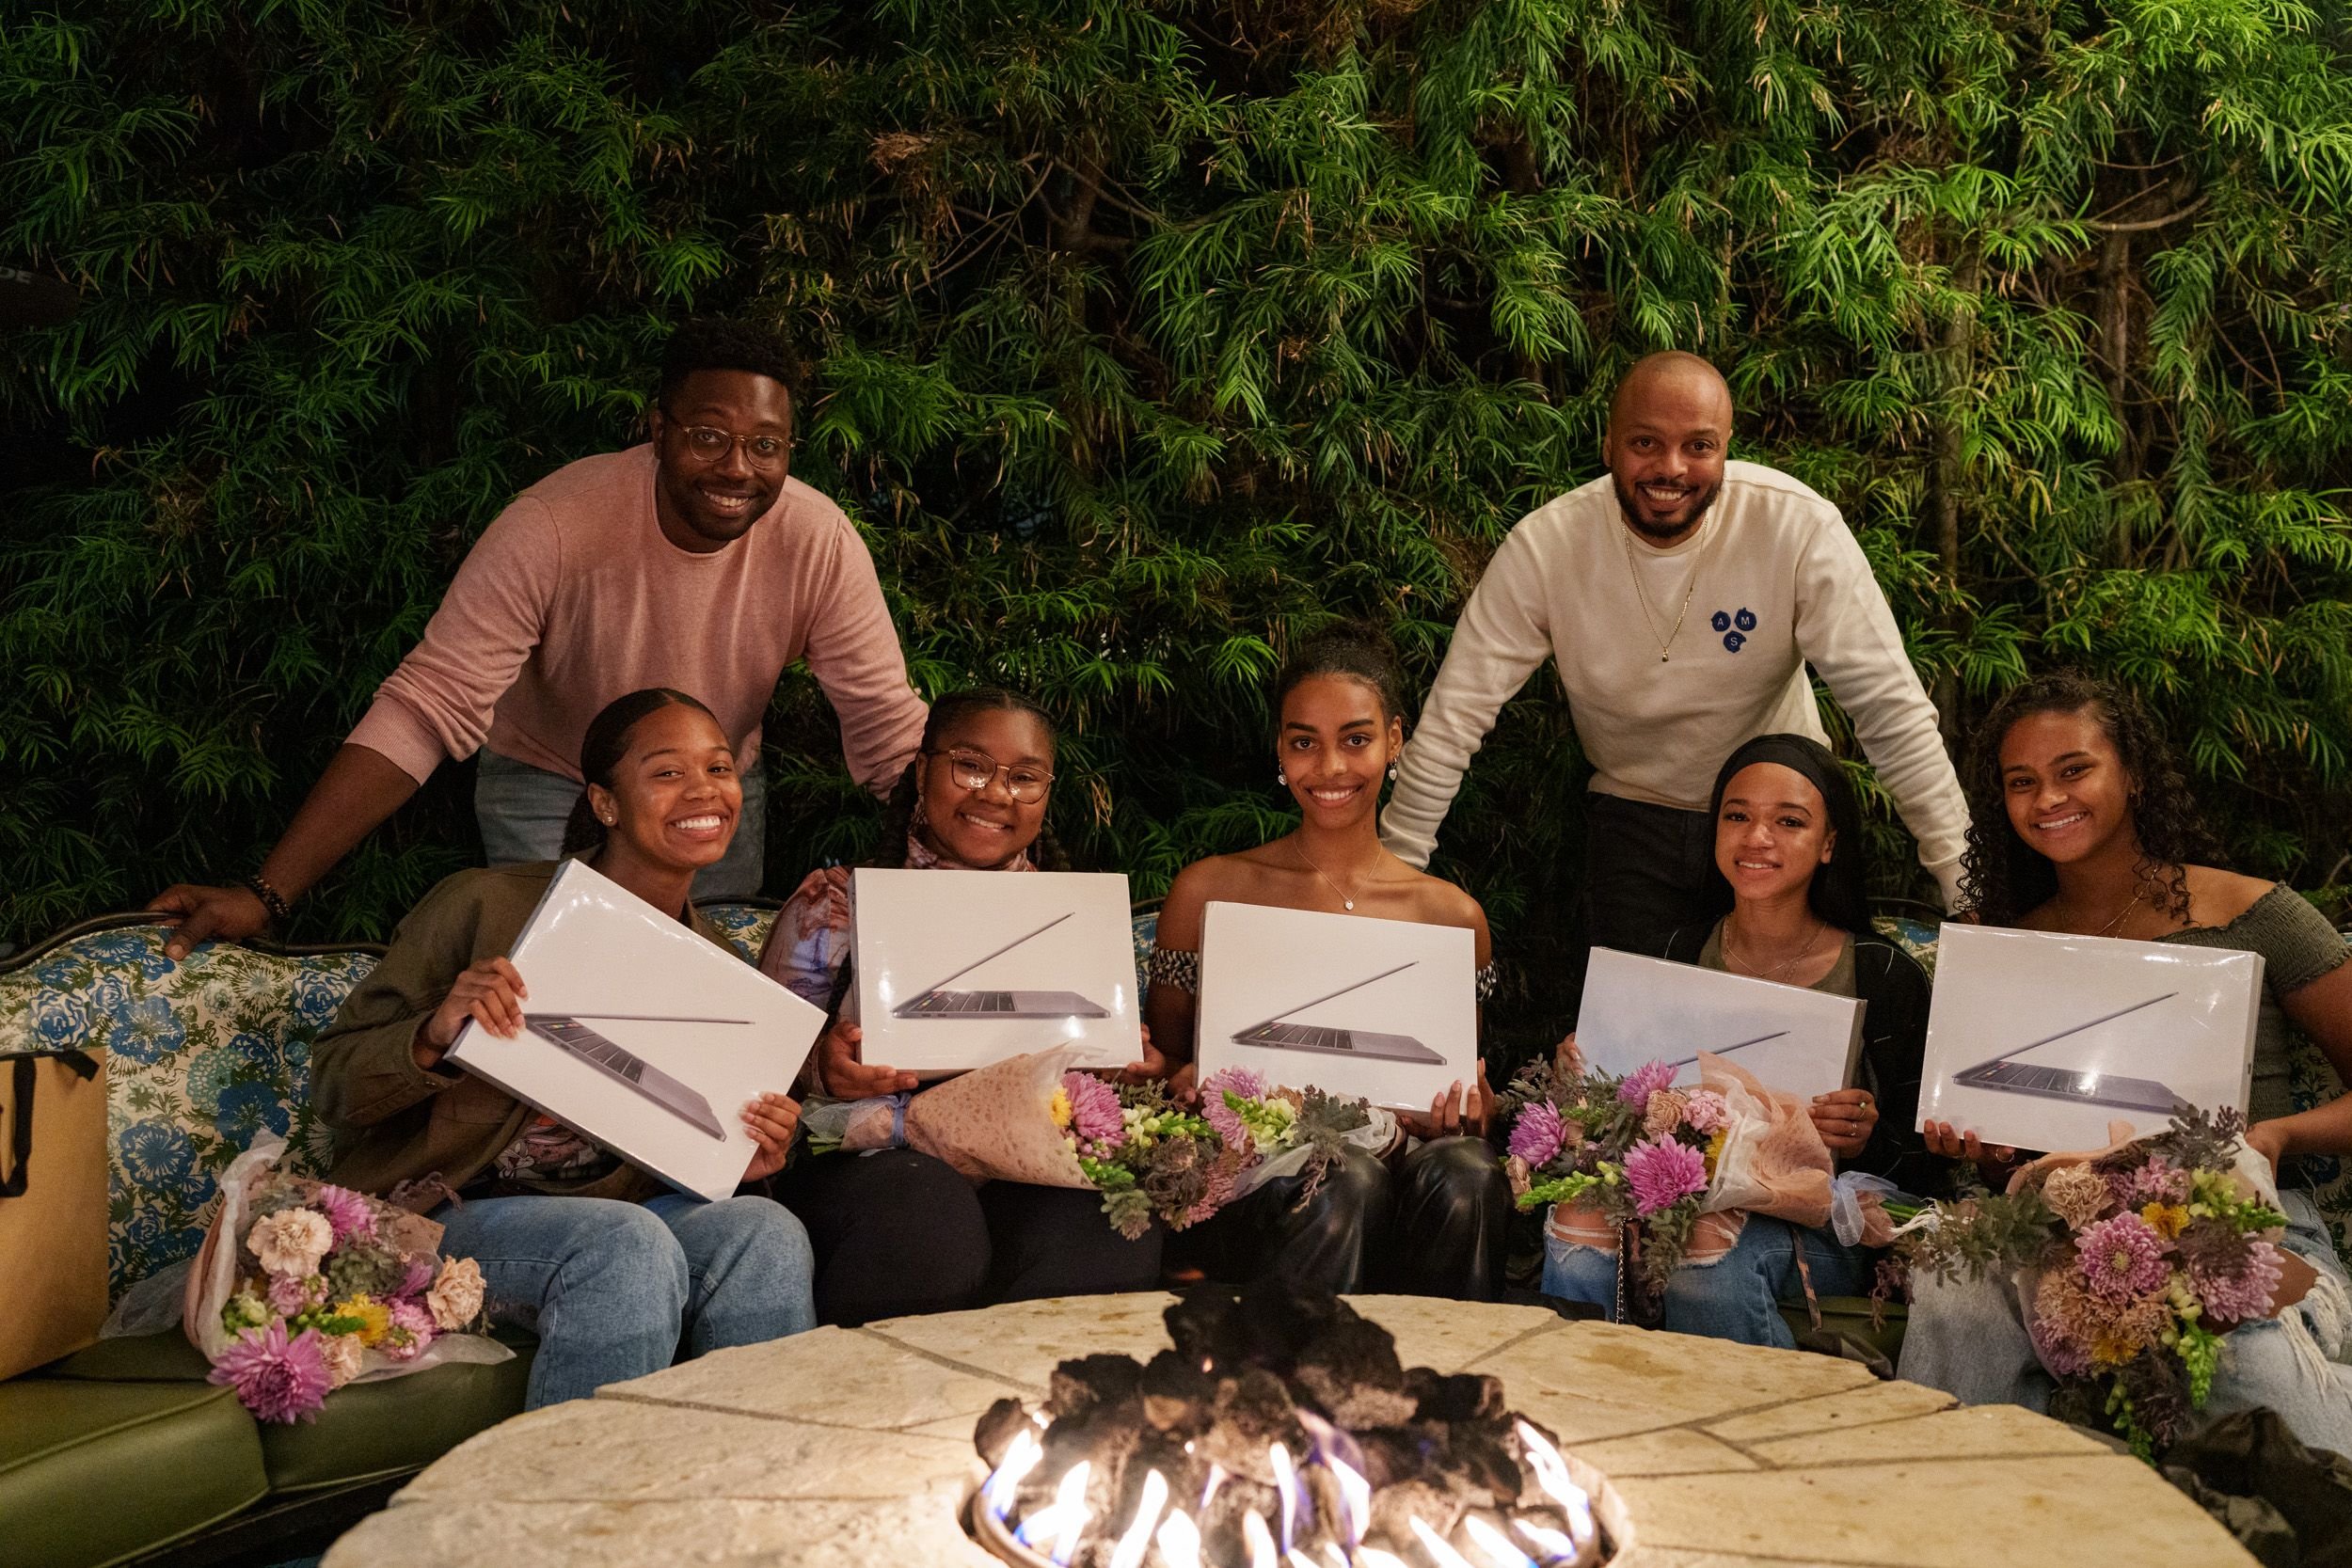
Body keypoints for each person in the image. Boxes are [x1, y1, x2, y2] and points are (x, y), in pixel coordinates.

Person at [151, 318, 929, 957]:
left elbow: (890, 735)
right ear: (657, 429)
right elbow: (428, 706)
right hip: (549, 776)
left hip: (709, 784)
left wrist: (998, 888)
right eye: (708, 436)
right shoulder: (554, 525)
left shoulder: (817, 539)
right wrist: (266, 891)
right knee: (559, 991)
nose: (738, 467)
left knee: (701, 993)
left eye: (766, 445)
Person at [310, 688, 817, 1410]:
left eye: (720, 768)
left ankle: (756, 1494)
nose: (703, 791)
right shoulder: (485, 906)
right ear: (605, 803)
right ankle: (575, 1511)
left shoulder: (723, 973)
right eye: (668, 772)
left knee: (764, 1231)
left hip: (609, 1210)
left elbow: (689, 1147)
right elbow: (333, 1081)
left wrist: (749, 1155)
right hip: (448, 1210)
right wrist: (432, 1035)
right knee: (623, 1244)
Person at [1378, 351, 1970, 963]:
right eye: (1645, 442)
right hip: (1635, 818)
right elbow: (1454, 720)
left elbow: (1891, 713)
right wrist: (1391, 874)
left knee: (1793, 1033)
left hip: (1778, 809)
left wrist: (1965, 882)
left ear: (1726, 448)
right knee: (1635, 1045)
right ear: (1608, 444)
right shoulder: (1548, 547)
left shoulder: (1796, 528)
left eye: (1699, 445)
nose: (1671, 468)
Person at [1899, 671, 2352, 1451]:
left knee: (2233, 1345)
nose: (2048, 798)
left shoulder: (2256, 914)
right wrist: (1988, 1147)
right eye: (2022, 782)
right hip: (2061, 1224)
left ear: (2133, 772)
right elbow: (2021, 1130)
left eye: (2074, 769)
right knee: (1953, 1287)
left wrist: (2274, 1139)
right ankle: (1951, 1520)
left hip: (2238, 1223)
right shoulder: (2009, 944)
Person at [757, 689, 1165, 1325]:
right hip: (872, 1165)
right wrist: (820, 1066)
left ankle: (1037, 1417)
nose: (996, 793)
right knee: (927, 1211)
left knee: (1109, 1219)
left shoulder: (1077, 920)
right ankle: (875, 1419)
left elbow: (1094, 1068)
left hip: (1022, 1158)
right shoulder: (835, 905)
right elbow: (752, 1072)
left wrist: (1123, 1067)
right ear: (922, 770)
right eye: (970, 765)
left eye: (1024, 777)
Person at [1147, 627, 1511, 1300]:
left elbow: (1448, 1084)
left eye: (1355, 738)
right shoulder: (1210, 891)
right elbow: (1161, 1064)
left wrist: (1463, 1111)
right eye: (1304, 741)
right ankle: (1306, 1390)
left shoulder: (1453, 917)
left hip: (1400, 1166)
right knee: (1345, 1178)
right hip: (1257, 1180)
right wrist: (1188, 1080)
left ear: (1395, 741)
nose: (1330, 767)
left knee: (1469, 1173)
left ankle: (1448, 1389)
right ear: (1280, 750)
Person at [1541, 733, 1933, 1345]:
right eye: (1737, 815)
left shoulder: (1883, 974)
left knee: (1709, 1266)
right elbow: (1621, 1105)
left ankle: (1746, 1436)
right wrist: (1583, 1076)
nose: (1757, 836)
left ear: (1829, 843)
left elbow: (1925, 1168)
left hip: (1811, 1221)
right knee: (1577, 1236)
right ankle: (1585, 1421)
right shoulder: (1672, 954)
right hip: (1672, 1199)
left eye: (1789, 820)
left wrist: (1863, 1137)